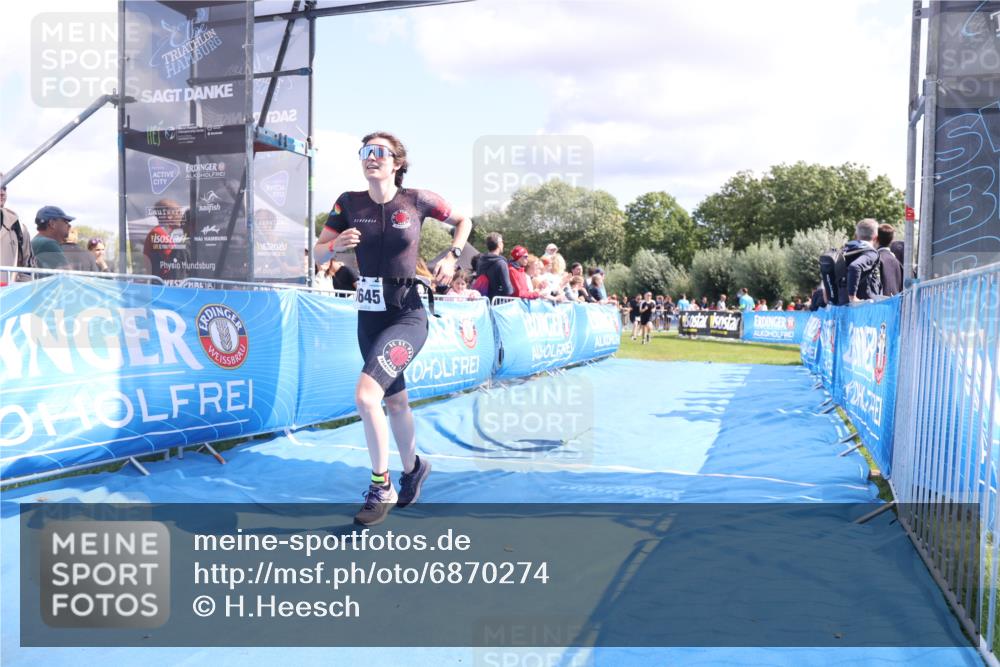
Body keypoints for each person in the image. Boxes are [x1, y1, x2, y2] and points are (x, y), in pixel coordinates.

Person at [312, 131, 472, 526]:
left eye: (380, 152)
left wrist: (452, 256)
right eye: (366, 151)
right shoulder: (348, 203)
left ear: (397, 162)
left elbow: (464, 220)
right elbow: (317, 251)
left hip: (408, 312)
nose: (372, 158)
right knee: (394, 401)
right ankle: (414, 467)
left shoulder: (417, 199)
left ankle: (381, 485)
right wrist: (333, 247)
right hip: (370, 314)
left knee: (367, 396)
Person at [143, 199, 190, 281]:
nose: (182, 216)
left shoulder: (159, 232)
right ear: (169, 215)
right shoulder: (158, 233)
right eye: (178, 212)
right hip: (162, 286)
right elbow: (176, 259)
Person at [0, 179, 35, 284]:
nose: (2, 193)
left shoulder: (18, 226)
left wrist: (20, 294)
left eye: (4, 188)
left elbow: (28, 268)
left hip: (7, 297)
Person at [845, 218, 882, 303]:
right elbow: (855, 266)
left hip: (841, 305)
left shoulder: (846, 250)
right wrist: (852, 298)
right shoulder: (871, 253)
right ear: (876, 237)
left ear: (856, 235)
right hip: (862, 307)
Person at [477, 232, 513, 299]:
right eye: (502, 242)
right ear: (499, 244)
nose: (503, 244)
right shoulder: (501, 263)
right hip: (498, 304)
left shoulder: (480, 261)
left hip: (483, 301)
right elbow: (508, 290)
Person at [876, 223, 904, 297]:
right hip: (895, 305)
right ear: (892, 240)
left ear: (876, 238)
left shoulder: (876, 259)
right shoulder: (897, 262)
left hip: (879, 304)